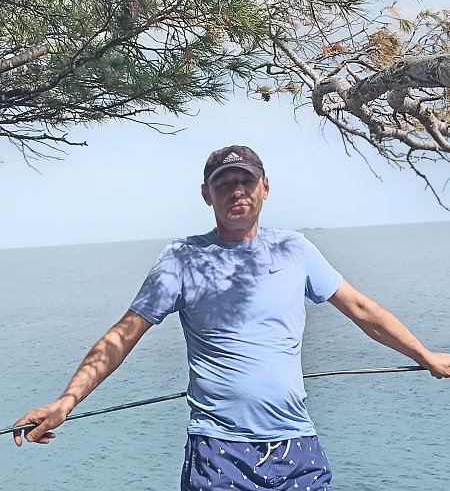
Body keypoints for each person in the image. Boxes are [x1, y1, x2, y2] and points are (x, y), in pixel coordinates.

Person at [13, 145, 450, 490]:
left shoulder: (295, 249)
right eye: (224, 184)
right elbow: (123, 335)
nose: (237, 191)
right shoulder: (182, 258)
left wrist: (426, 356)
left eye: (246, 181)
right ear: (207, 194)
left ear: (265, 188)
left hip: (297, 444)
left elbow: (362, 310)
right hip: (219, 451)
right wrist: (66, 402)